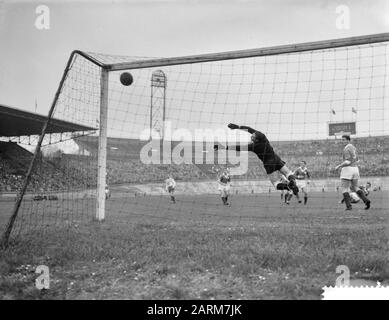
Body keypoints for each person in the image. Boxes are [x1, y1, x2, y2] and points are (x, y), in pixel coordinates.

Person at [214, 124, 300, 200]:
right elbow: (249, 129)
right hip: (276, 158)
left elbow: (238, 147)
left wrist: (223, 146)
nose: (252, 136)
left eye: (253, 136)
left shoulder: (253, 146)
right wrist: (238, 127)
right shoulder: (263, 137)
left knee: (276, 184)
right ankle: (292, 181)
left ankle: (288, 186)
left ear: (256, 140)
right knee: (288, 173)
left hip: (268, 164)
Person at [335, 134, 370, 210]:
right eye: (342, 140)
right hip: (355, 169)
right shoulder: (354, 148)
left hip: (348, 169)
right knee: (355, 187)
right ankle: (366, 200)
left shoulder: (346, 148)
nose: (342, 141)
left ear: (348, 140)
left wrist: (338, 166)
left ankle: (349, 207)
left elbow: (347, 162)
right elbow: (358, 160)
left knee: (345, 188)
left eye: (343, 140)